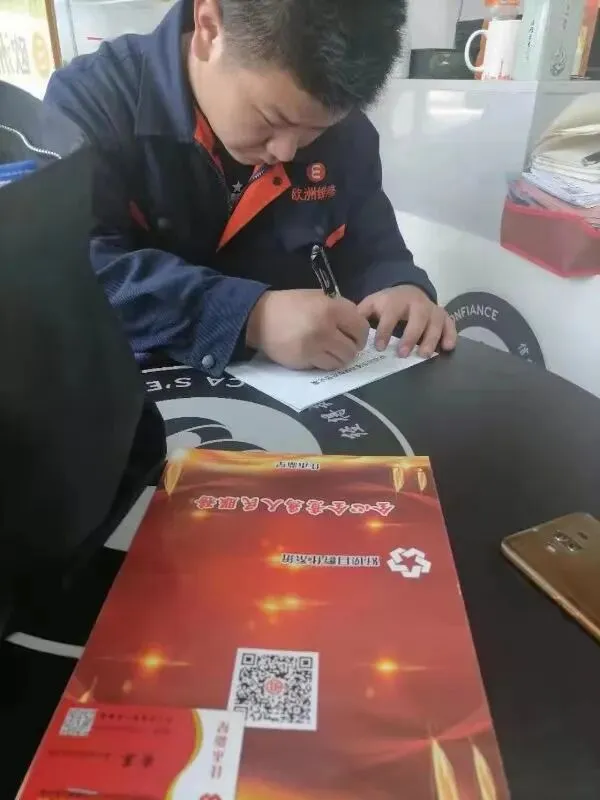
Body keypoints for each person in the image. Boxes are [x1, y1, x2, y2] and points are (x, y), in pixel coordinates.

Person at [45, 0, 457, 376]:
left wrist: (401, 287)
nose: (286, 151)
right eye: (272, 119)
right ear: (209, 27)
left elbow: (375, 248)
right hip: (139, 397)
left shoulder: (347, 136)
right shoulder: (91, 104)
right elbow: (73, 273)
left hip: (303, 404)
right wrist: (251, 317)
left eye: (314, 131)